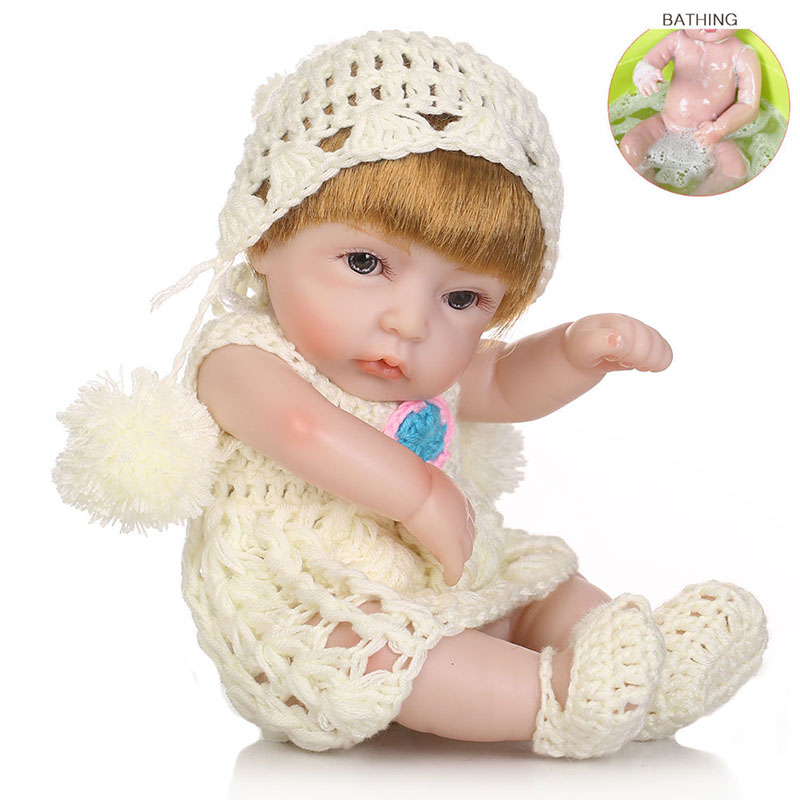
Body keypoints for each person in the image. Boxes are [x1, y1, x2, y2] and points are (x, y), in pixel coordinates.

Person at [54, 31, 767, 757]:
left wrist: (575, 350)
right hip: (314, 608)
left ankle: (646, 673)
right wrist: (420, 495)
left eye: (462, 299)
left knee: (543, 589)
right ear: (266, 233)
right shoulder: (239, 357)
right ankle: (557, 697)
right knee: (390, 654)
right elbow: (301, 428)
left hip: (443, 577)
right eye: (366, 263)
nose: (410, 323)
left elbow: (503, 381)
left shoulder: (427, 365)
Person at [619, 29, 761, 195]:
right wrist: (645, 74)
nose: (708, 21)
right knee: (630, 145)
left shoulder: (742, 54)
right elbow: (648, 63)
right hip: (666, 124)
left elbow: (749, 105)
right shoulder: (678, 39)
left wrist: (720, 128)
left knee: (735, 170)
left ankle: (699, 197)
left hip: (716, 137)